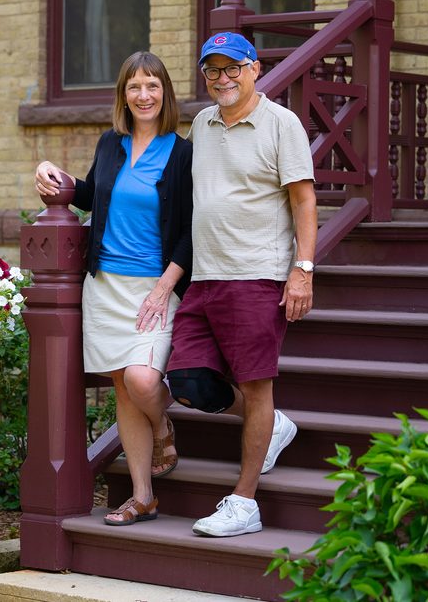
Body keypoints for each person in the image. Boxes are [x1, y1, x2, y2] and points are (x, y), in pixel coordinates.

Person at [166, 32, 317, 537]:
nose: (223, 78)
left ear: (254, 68)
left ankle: (244, 502)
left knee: (256, 386)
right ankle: (270, 422)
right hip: (206, 276)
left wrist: (304, 269)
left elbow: (303, 201)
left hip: (256, 275)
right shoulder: (204, 124)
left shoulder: (281, 124)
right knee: (186, 381)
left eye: (233, 68)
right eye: (212, 70)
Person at [34, 51, 193, 527]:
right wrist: (52, 172)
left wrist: (165, 286)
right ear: (123, 95)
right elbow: (93, 196)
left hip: (154, 286)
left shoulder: (182, 152)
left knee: (143, 380)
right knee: (124, 389)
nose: (143, 95)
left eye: (152, 86)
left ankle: (163, 426)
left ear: (164, 93)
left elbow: (190, 227)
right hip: (104, 286)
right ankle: (143, 495)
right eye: (133, 86)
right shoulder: (110, 143)